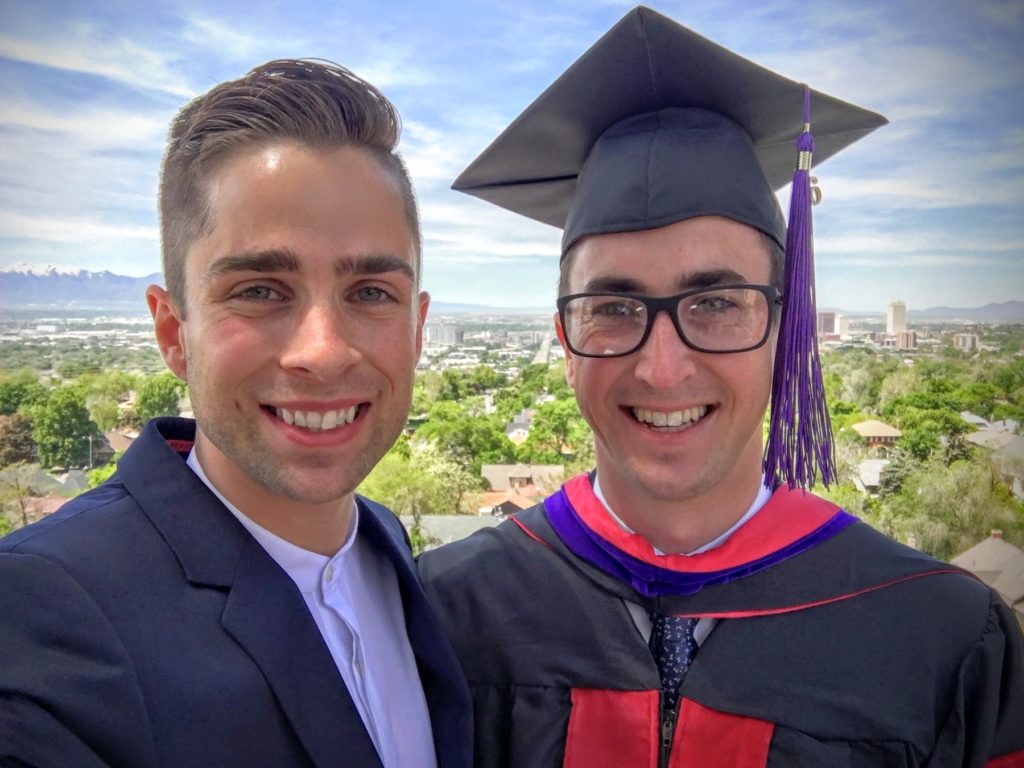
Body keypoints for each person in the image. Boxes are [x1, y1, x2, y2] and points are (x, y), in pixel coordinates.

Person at [418, 8, 1024, 767]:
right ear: (564, 340)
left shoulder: (942, 638)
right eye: (612, 308)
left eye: (716, 304)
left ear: (788, 325)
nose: (663, 368)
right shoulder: (442, 612)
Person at [0, 59, 471, 768]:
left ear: (417, 328)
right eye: (259, 290)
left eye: (371, 292)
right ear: (172, 331)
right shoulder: (45, 609)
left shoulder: (381, 541)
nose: (324, 351)